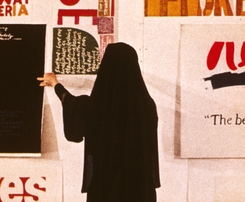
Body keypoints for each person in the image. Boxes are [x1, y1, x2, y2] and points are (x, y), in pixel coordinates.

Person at [38, 42, 160, 202]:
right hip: (140, 188)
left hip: (104, 187)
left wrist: (55, 84)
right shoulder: (147, 106)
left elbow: (73, 108)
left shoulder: (96, 107)